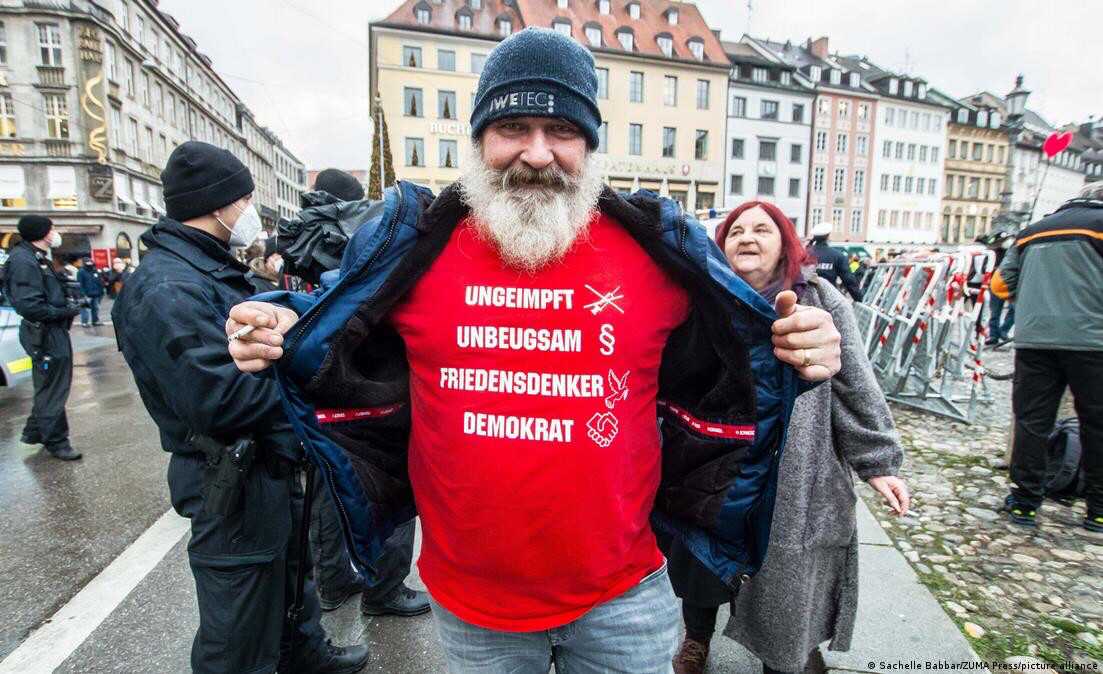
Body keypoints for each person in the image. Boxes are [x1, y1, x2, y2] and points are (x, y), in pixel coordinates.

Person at [227, 28, 844, 672]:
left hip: (624, 598)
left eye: (562, 131)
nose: (538, 152)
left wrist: (799, 352)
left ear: (591, 145)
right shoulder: (416, 246)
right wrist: (275, 320)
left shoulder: (657, 249)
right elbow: (332, 318)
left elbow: (733, 360)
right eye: (513, 127)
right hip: (471, 608)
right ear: (479, 141)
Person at [112, 142, 367, 673]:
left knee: (289, 578)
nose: (250, 211)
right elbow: (218, 399)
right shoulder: (167, 288)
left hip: (265, 465)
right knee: (238, 624)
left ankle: (303, 656)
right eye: (246, 199)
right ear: (220, 204)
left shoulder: (208, 270)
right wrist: (309, 379)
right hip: (229, 475)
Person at [665, 201, 910, 674]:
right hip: (716, 462)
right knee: (700, 559)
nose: (747, 238)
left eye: (762, 229)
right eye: (736, 230)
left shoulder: (820, 300)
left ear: (785, 244)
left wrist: (878, 462)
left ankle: (788, 653)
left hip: (797, 470)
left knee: (788, 577)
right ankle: (696, 637)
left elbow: (855, 383)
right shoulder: (702, 298)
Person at [284, 169, 427, 617]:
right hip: (372, 386)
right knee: (384, 486)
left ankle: (334, 582)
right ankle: (385, 591)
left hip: (324, 390)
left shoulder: (304, 233)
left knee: (335, 488)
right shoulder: (367, 228)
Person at [993, 182, 1103, 532]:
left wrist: (1034, 303)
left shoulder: (1031, 232)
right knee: (1097, 423)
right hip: (1093, 339)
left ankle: (1025, 502)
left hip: (1035, 339)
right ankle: (1098, 509)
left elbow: (1000, 285)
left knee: (1032, 421)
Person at [3, 215, 82, 461]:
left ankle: (35, 431)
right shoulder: (24, 261)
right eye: (52, 228)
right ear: (44, 233)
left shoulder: (36, 259)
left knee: (51, 385)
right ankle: (57, 442)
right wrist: (63, 311)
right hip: (45, 333)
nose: (55, 233)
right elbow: (29, 305)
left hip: (51, 330)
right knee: (52, 389)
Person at [807, 221, 862, 302]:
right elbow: (849, 280)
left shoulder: (804, 253)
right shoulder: (837, 255)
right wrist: (858, 298)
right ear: (828, 237)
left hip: (806, 300)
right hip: (828, 299)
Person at [986, 234, 1016, 346]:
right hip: (995, 285)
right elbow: (986, 268)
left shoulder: (1015, 251)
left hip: (1011, 286)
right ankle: (994, 335)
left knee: (1014, 310)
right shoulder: (993, 253)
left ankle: (1004, 331)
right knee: (995, 312)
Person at [75, 258, 105, 326]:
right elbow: (80, 283)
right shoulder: (81, 272)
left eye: (90, 262)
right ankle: (85, 322)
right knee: (85, 309)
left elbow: (99, 281)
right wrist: (82, 293)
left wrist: (101, 291)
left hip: (95, 293)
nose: (90, 263)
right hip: (86, 294)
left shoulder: (95, 271)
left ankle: (95, 321)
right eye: (88, 262)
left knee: (95, 308)